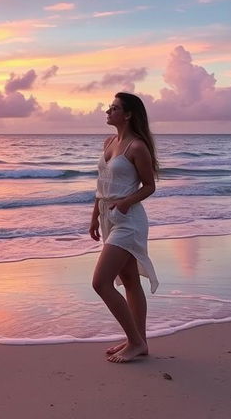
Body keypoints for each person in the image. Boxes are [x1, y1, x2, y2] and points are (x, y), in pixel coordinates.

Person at [89, 91, 159, 363]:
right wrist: (95, 216)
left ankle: (135, 341)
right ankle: (139, 341)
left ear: (128, 114)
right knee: (129, 280)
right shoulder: (109, 142)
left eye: (114, 108)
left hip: (129, 221)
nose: (108, 111)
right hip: (109, 217)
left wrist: (128, 201)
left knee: (100, 282)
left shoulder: (137, 147)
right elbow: (101, 185)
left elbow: (150, 186)